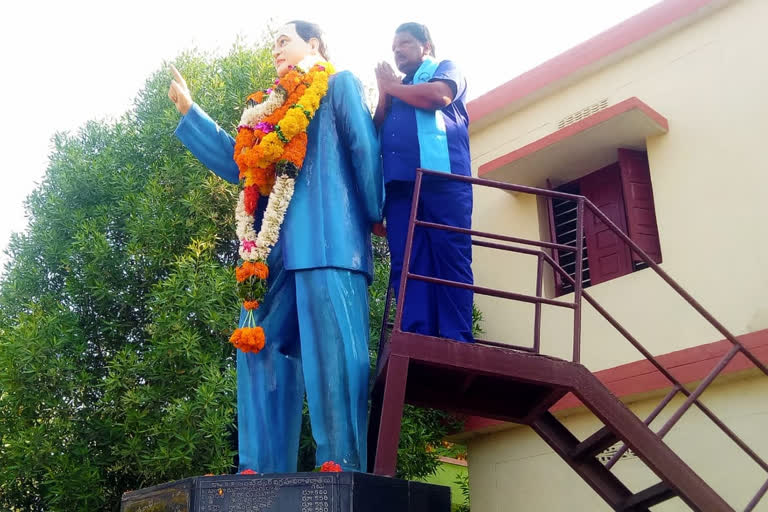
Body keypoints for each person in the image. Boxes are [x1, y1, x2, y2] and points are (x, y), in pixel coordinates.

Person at [168, 20, 383, 473]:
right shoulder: (272, 109)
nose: (275, 50)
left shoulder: (339, 85)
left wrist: (377, 214)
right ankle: (261, 470)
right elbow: (242, 163)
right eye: (273, 44)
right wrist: (191, 113)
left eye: (283, 40)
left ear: (315, 44)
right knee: (257, 344)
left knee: (335, 359)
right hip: (279, 253)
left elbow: (365, 151)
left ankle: (340, 465)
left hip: (331, 245)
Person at [374, 22, 474, 343]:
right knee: (406, 262)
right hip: (400, 189)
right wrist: (384, 94)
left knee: (450, 255)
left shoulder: (445, 69)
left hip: (443, 181)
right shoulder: (396, 88)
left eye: (404, 43)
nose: (397, 51)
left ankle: (456, 337)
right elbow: (374, 131)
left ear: (426, 46)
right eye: (393, 47)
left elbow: (438, 97)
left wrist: (392, 88)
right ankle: (416, 334)